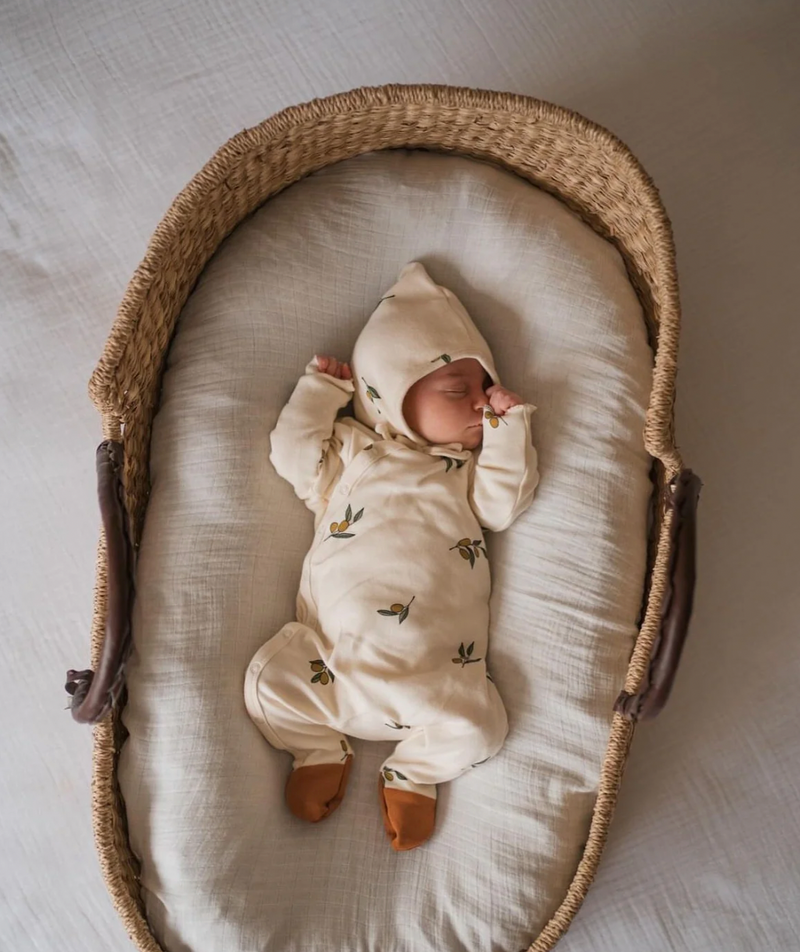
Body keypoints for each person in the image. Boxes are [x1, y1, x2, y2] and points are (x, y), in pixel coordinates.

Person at [245, 262, 539, 850]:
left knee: (482, 726)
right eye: (458, 391)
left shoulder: (465, 474)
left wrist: (509, 432)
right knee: (266, 684)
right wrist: (320, 393)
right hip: (332, 665)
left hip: (433, 677)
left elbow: (505, 505)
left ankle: (414, 772)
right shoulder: (355, 454)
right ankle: (317, 747)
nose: (479, 404)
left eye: (483, 391)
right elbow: (292, 456)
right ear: (387, 393)